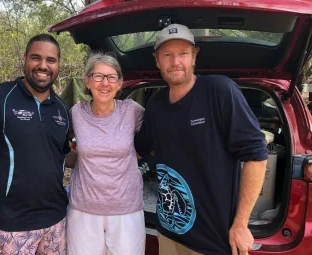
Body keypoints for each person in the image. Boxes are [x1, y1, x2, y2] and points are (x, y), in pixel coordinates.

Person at [134, 24, 268, 255]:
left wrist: (241, 223)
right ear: (157, 60)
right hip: (168, 231)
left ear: (194, 56)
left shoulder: (219, 90)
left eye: (183, 53)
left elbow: (256, 156)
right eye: (167, 55)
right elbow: (139, 149)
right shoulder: (155, 105)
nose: (175, 61)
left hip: (213, 241)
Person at [0, 33, 76, 255]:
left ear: (58, 64)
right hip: (10, 226)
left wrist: (100, 156)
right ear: (24, 58)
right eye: (36, 58)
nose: (43, 65)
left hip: (56, 222)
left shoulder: (61, 108)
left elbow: (62, 155)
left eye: (51, 60)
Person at [66, 53, 146, 255]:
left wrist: (138, 154)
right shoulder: (76, 113)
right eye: (98, 76)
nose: (105, 83)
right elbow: (60, 144)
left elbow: (154, 138)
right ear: (87, 81)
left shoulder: (131, 111)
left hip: (126, 210)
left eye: (111, 77)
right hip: (83, 210)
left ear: (120, 84)